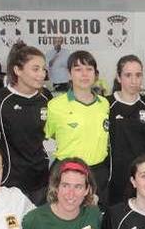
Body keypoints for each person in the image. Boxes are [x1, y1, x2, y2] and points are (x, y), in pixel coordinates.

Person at [44, 50, 110, 205]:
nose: (84, 74)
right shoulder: (55, 105)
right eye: (78, 69)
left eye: (89, 69)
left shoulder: (104, 104)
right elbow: (50, 135)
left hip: (98, 173)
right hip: (67, 173)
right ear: (69, 74)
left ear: (95, 74)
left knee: (97, 221)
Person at [0, 44, 52, 205]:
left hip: (41, 180)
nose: (42, 74)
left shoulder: (46, 98)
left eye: (43, 69)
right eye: (35, 69)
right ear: (17, 70)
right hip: (10, 181)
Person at [107, 55, 145, 206]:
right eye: (128, 75)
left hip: (143, 178)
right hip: (115, 179)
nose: (134, 80)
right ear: (118, 77)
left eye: (138, 75)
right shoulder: (106, 104)